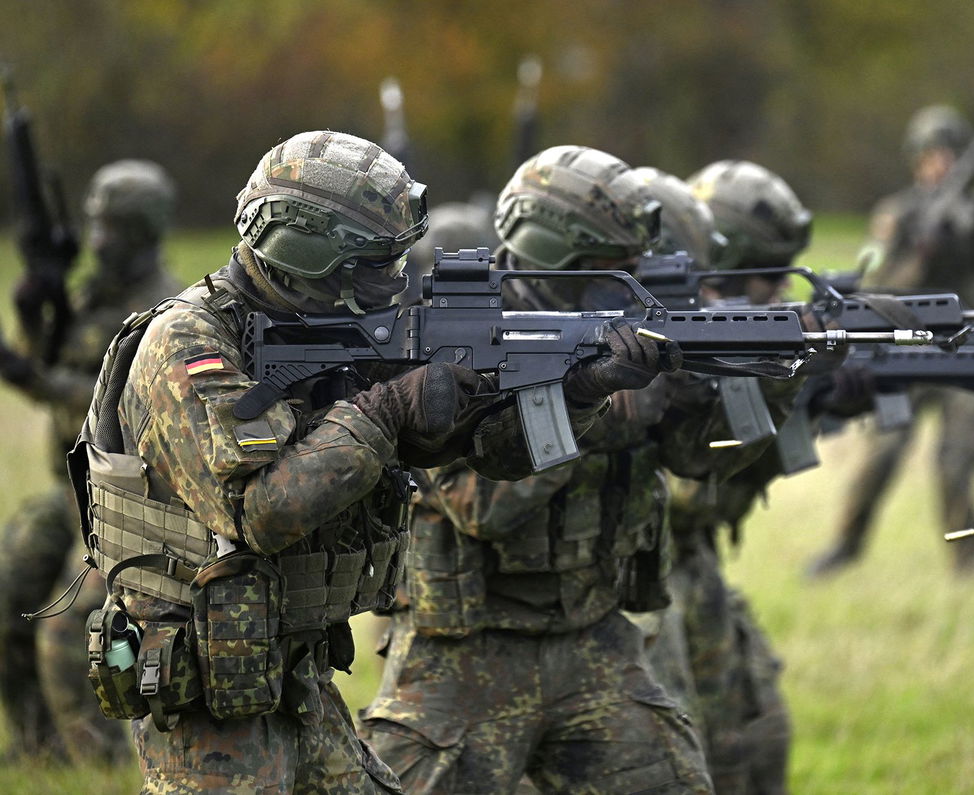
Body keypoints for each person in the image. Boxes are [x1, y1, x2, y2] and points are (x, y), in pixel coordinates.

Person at [71, 131, 653, 792]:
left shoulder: (334, 317)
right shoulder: (189, 342)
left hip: (290, 664)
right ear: (308, 252)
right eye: (378, 263)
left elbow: (490, 453)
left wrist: (579, 391)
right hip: (205, 686)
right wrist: (386, 410)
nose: (395, 281)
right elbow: (260, 512)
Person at [359, 145, 774, 794]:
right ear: (559, 253)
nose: (635, 273)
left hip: (592, 633)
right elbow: (480, 505)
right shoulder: (454, 329)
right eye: (616, 263)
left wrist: (761, 382)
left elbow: (702, 461)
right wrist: (594, 401)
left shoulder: (626, 325)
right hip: (466, 649)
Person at [636, 160, 815, 795]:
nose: (775, 290)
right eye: (765, 273)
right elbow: (689, 492)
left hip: (689, 578)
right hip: (642, 596)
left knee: (753, 740)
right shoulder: (634, 343)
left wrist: (802, 389)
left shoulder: (708, 331)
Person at [0, 160, 180, 762]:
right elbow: (49, 364)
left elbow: (115, 397)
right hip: (69, 491)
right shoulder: (88, 297)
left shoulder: (166, 311)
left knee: (64, 629)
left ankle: (97, 763)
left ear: (147, 232)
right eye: (96, 225)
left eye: (116, 229)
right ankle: (37, 746)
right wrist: (31, 318)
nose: (99, 241)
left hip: (128, 501)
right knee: (9, 589)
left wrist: (36, 378)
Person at [808, 104, 974, 576]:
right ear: (916, 159)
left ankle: (968, 562)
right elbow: (870, 277)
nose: (940, 164)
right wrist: (919, 256)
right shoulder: (896, 214)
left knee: (956, 464)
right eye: (931, 154)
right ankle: (847, 545)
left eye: (949, 154)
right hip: (903, 348)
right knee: (881, 456)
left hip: (965, 349)